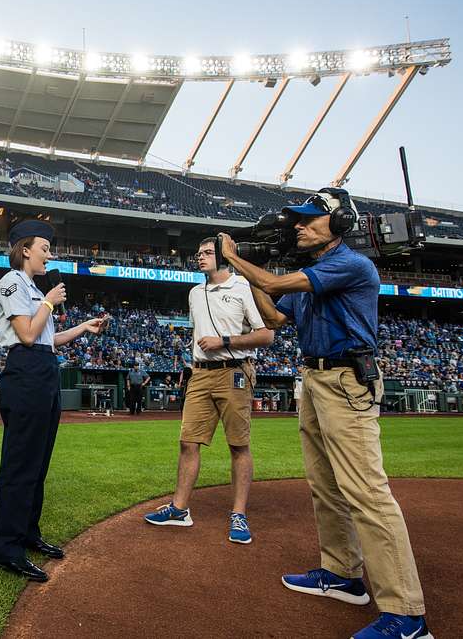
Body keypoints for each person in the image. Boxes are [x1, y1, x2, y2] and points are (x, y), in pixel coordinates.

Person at [217, 188, 431, 639]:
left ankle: (407, 614)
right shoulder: (312, 272)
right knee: (325, 484)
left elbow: (276, 286)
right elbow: (274, 316)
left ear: (338, 225)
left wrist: (235, 258)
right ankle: (342, 575)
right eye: (297, 219)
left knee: (367, 492)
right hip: (315, 380)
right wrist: (251, 277)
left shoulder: (351, 264)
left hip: (348, 382)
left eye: (309, 219)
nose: (298, 225)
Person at [0, 220, 107, 582]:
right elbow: (26, 335)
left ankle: (27, 533)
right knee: (20, 464)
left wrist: (83, 328)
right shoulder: (12, 282)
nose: (49, 255)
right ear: (25, 249)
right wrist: (47, 302)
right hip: (25, 372)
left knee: (37, 464)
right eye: (44, 248)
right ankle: (6, 549)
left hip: (43, 369)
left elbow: (47, 340)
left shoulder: (33, 289)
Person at [144, 237, 273, 545]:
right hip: (200, 375)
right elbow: (198, 334)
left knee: (238, 446)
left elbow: (266, 335)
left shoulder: (242, 287)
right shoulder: (194, 293)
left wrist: (225, 341)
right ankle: (179, 509)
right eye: (198, 253)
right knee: (188, 442)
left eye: (206, 253)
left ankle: (238, 514)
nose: (199, 258)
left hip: (234, 373)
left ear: (223, 258)